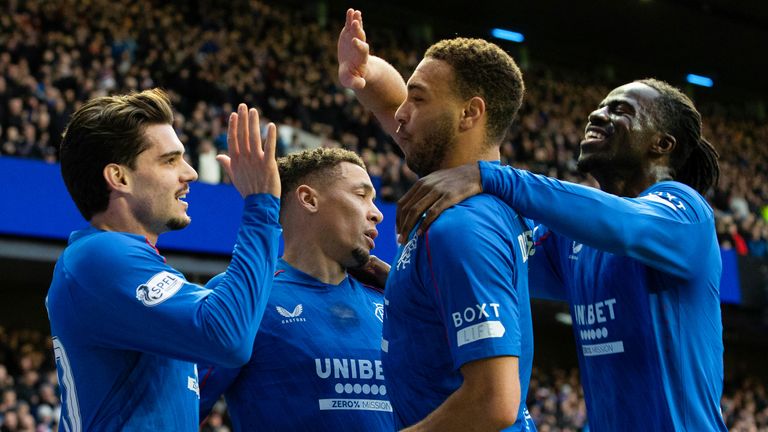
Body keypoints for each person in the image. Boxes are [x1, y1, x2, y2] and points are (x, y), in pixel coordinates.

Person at [394, 78, 726, 431]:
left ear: (662, 144)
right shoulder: (571, 243)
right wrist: (401, 283)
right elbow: (484, 262)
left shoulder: (686, 213)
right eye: (600, 106)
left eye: (621, 110)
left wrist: (491, 176)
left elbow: (624, 224)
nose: (597, 115)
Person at [338, 9, 536, 431]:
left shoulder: (462, 227)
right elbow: (394, 107)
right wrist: (367, 71)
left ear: (469, 114)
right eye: (407, 98)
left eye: (420, 99)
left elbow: (493, 401)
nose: (402, 114)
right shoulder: (480, 201)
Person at [46, 89, 282, 431]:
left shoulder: (119, 266)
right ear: (119, 177)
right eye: (170, 160)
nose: (190, 174)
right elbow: (229, 337)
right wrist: (262, 207)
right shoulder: (99, 256)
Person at [198, 148, 392, 431]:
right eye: (361, 195)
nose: (377, 214)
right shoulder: (246, 294)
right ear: (309, 199)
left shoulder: (387, 299)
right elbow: (180, 407)